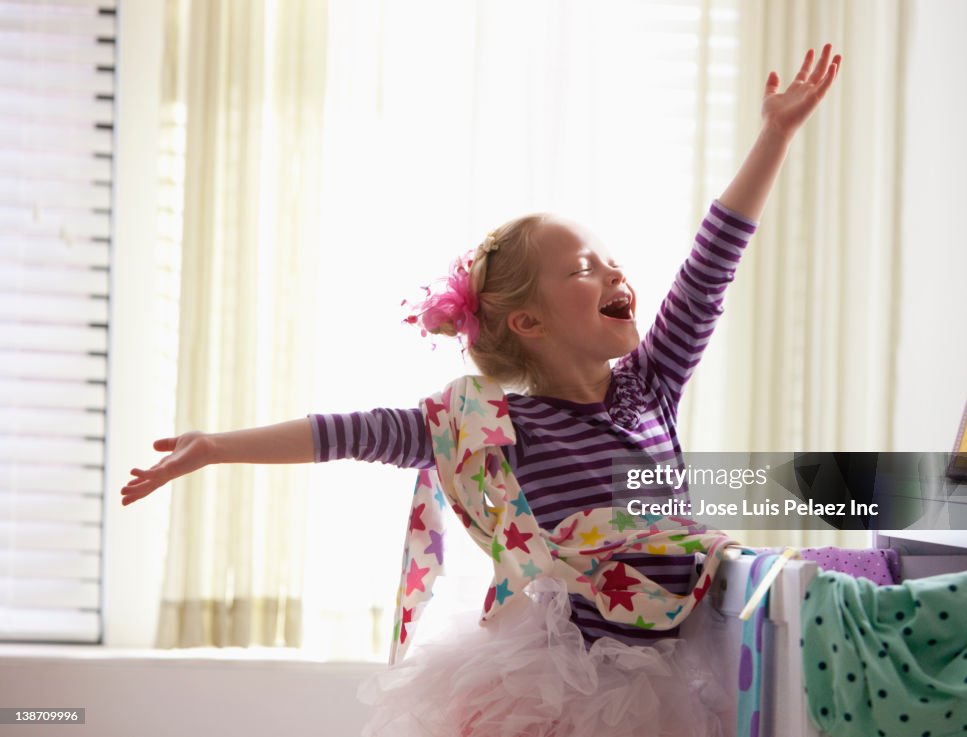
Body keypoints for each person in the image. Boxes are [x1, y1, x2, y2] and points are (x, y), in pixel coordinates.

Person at [123, 44, 842, 737]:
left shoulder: (651, 387)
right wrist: (215, 446)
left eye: (613, 260)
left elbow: (713, 260)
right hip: (567, 686)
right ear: (528, 321)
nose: (615, 273)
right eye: (585, 268)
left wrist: (774, 135)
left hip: (672, 666)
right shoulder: (494, 424)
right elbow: (347, 432)